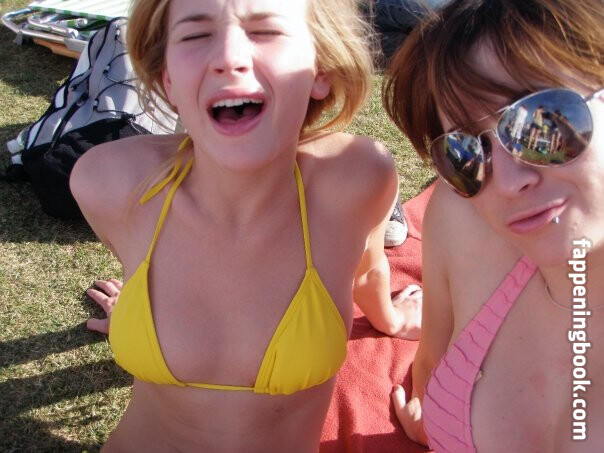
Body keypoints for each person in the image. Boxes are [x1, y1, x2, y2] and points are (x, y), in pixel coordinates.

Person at [70, 0, 421, 450]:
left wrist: (391, 319)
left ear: (322, 68)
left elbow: (367, 270)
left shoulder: (358, 179)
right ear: (168, 78)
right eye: (196, 35)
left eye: (265, 31)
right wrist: (137, 319)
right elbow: (142, 264)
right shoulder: (107, 182)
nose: (227, 57)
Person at [382, 0, 604, 451]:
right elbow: (430, 367)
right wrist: (438, 423)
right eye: (464, 153)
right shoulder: (460, 218)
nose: (506, 181)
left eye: (542, 123)